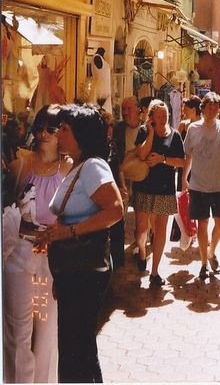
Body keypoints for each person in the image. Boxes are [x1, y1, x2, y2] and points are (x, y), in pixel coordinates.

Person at [36, 103, 123, 383]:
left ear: (81, 134)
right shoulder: (77, 166)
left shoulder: (93, 167)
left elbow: (116, 210)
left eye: (65, 129)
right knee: (77, 347)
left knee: (78, 347)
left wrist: (69, 232)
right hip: (73, 269)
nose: (58, 134)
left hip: (84, 269)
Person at [3, 105, 72, 383]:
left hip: (52, 261)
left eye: (52, 128)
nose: (44, 133)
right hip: (19, 255)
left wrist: (55, 234)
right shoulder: (20, 164)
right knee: (17, 332)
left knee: (45, 333)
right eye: (41, 126)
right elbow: (7, 212)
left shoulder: (69, 168)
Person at [182, 92, 220, 280]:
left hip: (219, 184)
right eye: (209, 107)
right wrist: (184, 178)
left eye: (216, 107)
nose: (212, 111)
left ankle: (212, 250)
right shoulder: (193, 129)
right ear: (202, 109)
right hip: (198, 185)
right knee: (202, 223)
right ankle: (204, 262)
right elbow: (188, 156)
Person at [133, 99, 185, 286]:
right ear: (152, 117)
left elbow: (181, 162)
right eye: (159, 116)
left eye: (166, 116)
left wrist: (163, 159)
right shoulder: (144, 131)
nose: (163, 119)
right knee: (141, 230)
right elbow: (141, 154)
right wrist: (152, 132)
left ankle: (154, 272)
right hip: (144, 187)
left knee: (160, 230)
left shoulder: (176, 135)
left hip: (164, 189)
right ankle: (142, 251)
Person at [113, 96, 147, 255]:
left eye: (128, 109)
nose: (125, 112)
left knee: (142, 213)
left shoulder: (146, 128)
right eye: (123, 109)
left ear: (138, 110)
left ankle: (141, 245)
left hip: (142, 176)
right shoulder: (118, 128)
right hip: (123, 176)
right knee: (121, 212)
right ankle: (118, 249)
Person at [100, 110, 127, 268]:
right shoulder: (97, 147)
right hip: (104, 191)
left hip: (116, 188)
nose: (110, 129)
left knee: (117, 227)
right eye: (107, 126)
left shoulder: (112, 144)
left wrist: (122, 186)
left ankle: (115, 264)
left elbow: (118, 167)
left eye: (112, 125)